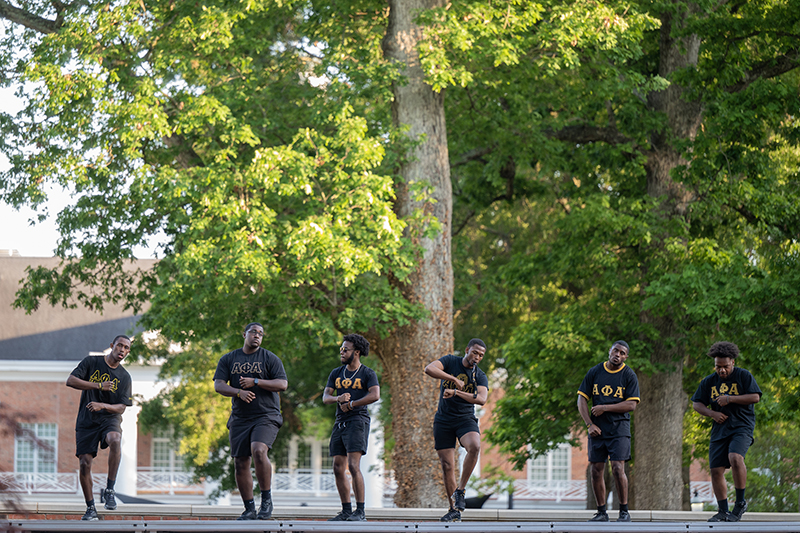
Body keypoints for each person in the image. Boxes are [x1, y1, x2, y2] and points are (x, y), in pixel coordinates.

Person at [213, 322, 288, 521]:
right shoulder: (229, 359)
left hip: (266, 415)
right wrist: (238, 391)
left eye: (261, 334)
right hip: (240, 417)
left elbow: (282, 384)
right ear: (244, 334)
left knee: (259, 450)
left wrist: (256, 382)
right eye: (254, 332)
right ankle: (249, 508)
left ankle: (266, 501)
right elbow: (218, 385)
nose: (257, 336)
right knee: (240, 462)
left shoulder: (269, 358)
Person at [691, 341, 761, 523]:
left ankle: (740, 503)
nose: (722, 371)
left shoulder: (743, 376)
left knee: (736, 457)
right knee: (715, 469)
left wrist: (730, 399)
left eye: (725, 367)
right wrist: (712, 413)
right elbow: (696, 403)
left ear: (733, 363)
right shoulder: (709, 381)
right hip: (720, 428)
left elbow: (755, 397)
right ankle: (722, 511)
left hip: (741, 426)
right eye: (718, 367)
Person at [66, 334, 133, 521]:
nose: (122, 350)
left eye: (127, 348)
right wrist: (98, 386)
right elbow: (70, 380)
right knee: (84, 463)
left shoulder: (124, 377)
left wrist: (102, 405)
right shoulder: (91, 362)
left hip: (109, 418)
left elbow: (122, 407)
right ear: (112, 345)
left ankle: (110, 490)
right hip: (87, 420)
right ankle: (90, 508)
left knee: (115, 439)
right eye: (120, 346)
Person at [424, 338, 489, 523]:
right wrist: (452, 379)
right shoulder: (450, 361)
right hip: (443, 420)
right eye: (475, 353)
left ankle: (460, 490)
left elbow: (482, 399)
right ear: (467, 350)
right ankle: (453, 510)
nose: (477, 357)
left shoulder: (480, 375)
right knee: (447, 466)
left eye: (481, 355)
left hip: (465, 419)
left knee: (475, 446)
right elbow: (429, 368)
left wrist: (456, 392)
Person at [577, 340, 640, 523]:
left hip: (619, 429)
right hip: (597, 430)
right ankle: (601, 512)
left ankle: (624, 511)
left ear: (625, 357)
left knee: (618, 468)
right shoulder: (595, 372)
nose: (617, 355)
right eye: (615, 351)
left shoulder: (629, 375)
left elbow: (631, 404)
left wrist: (604, 407)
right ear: (609, 351)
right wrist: (589, 424)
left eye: (622, 353)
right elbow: (581, 400)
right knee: (596, 470)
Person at [322, 334, 380, 521]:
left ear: (356, 352)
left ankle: (360, 511)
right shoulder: (336, 373)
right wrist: (337, 399)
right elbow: (326, 397)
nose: (341, 352)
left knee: (353, 465)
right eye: (341, 349)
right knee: (338, 467)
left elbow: (375, 395)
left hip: (358, 420)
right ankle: (346, 510)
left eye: (345, 349)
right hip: (340, 422)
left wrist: (353, 404)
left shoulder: (367, 373)